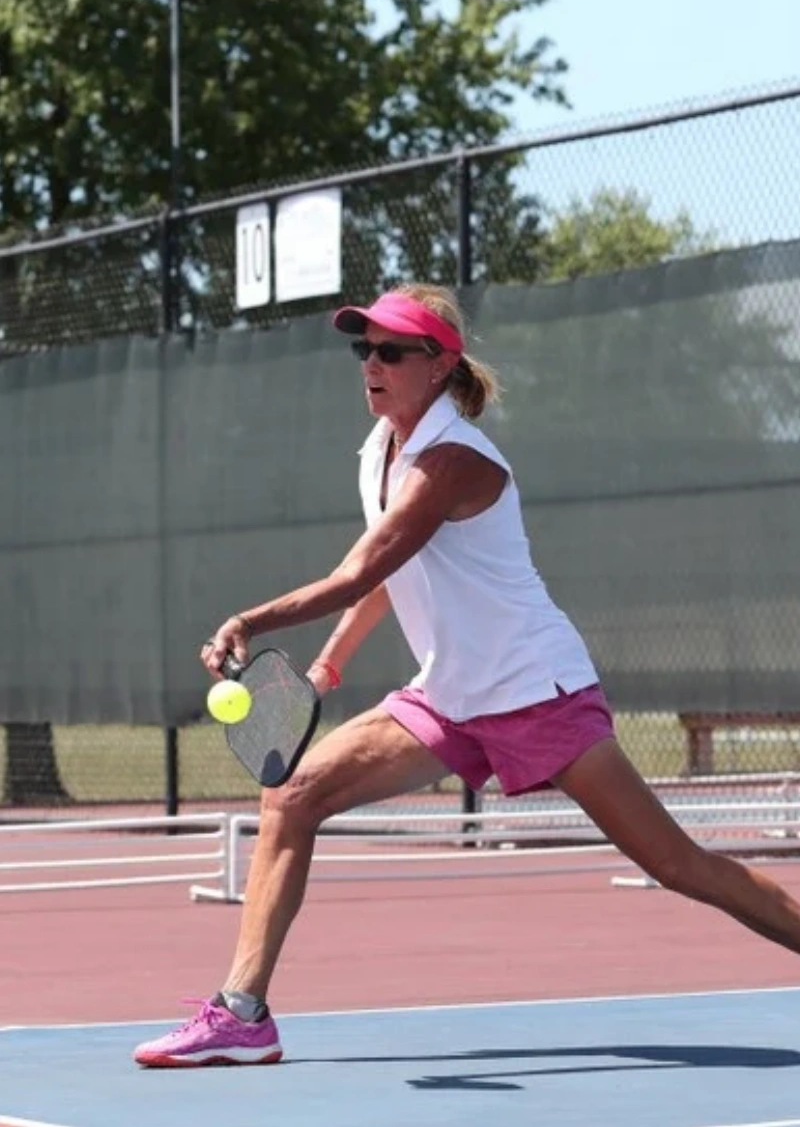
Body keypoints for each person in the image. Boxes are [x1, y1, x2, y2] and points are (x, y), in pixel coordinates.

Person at [134, 282, 800, 1068]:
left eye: (391, 351)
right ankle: (243, 1013)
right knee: (293, 793)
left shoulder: (453, 459)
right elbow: (392, 573)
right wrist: (328, 661)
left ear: (439, 364)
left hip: (536, 691)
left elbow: (359, 570)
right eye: (364, 349)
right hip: (450, 695)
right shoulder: (381, 450)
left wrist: (250, 620)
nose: (371, 364)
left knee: (679, 865)